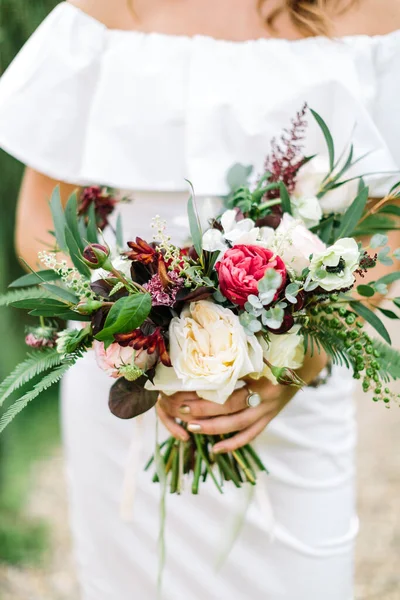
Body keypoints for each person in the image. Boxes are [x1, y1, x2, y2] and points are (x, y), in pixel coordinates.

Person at [0, 0, 400, 598]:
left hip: (291, 395)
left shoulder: (370, 12)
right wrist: (125, 323)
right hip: (126, 391)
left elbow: (385, 229)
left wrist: (306, 352)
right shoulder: (106, 9)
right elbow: (38, 217)